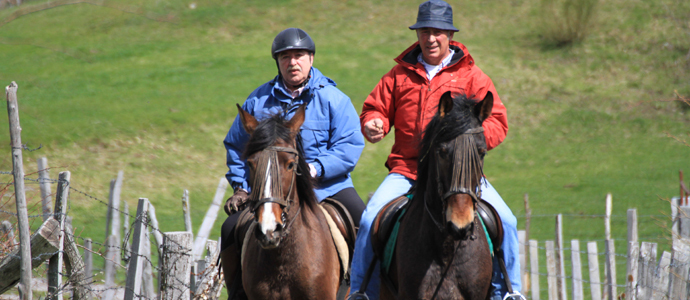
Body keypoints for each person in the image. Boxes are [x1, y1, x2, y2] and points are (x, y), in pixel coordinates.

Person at [349, 1, 523, 300]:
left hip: (459, 173)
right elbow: (374, 108)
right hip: (408, 170)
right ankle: (362, 292)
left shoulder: (472, 76)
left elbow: (496, 119)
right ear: (417, 35)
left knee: (506, 219)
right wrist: (373, 123)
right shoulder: (398, 76)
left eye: (438, 32)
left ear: (450, 35)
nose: (431, 38)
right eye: (425, 31)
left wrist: (469, 141)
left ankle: (508, 292)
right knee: (369, 220)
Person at [220, 27, 366, 298]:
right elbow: (236, 145)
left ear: (311, 58)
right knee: (230, 228)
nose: (292, 62)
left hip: (328, 189)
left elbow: (349, 145)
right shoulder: (258, 101)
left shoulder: (334, 99)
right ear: (277, 62)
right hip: (270, 192)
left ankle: (364, 291)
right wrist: (242, 187)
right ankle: (238, 293)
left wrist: (316, 168)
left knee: (365, 222)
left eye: (299, 55)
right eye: (285, 57)